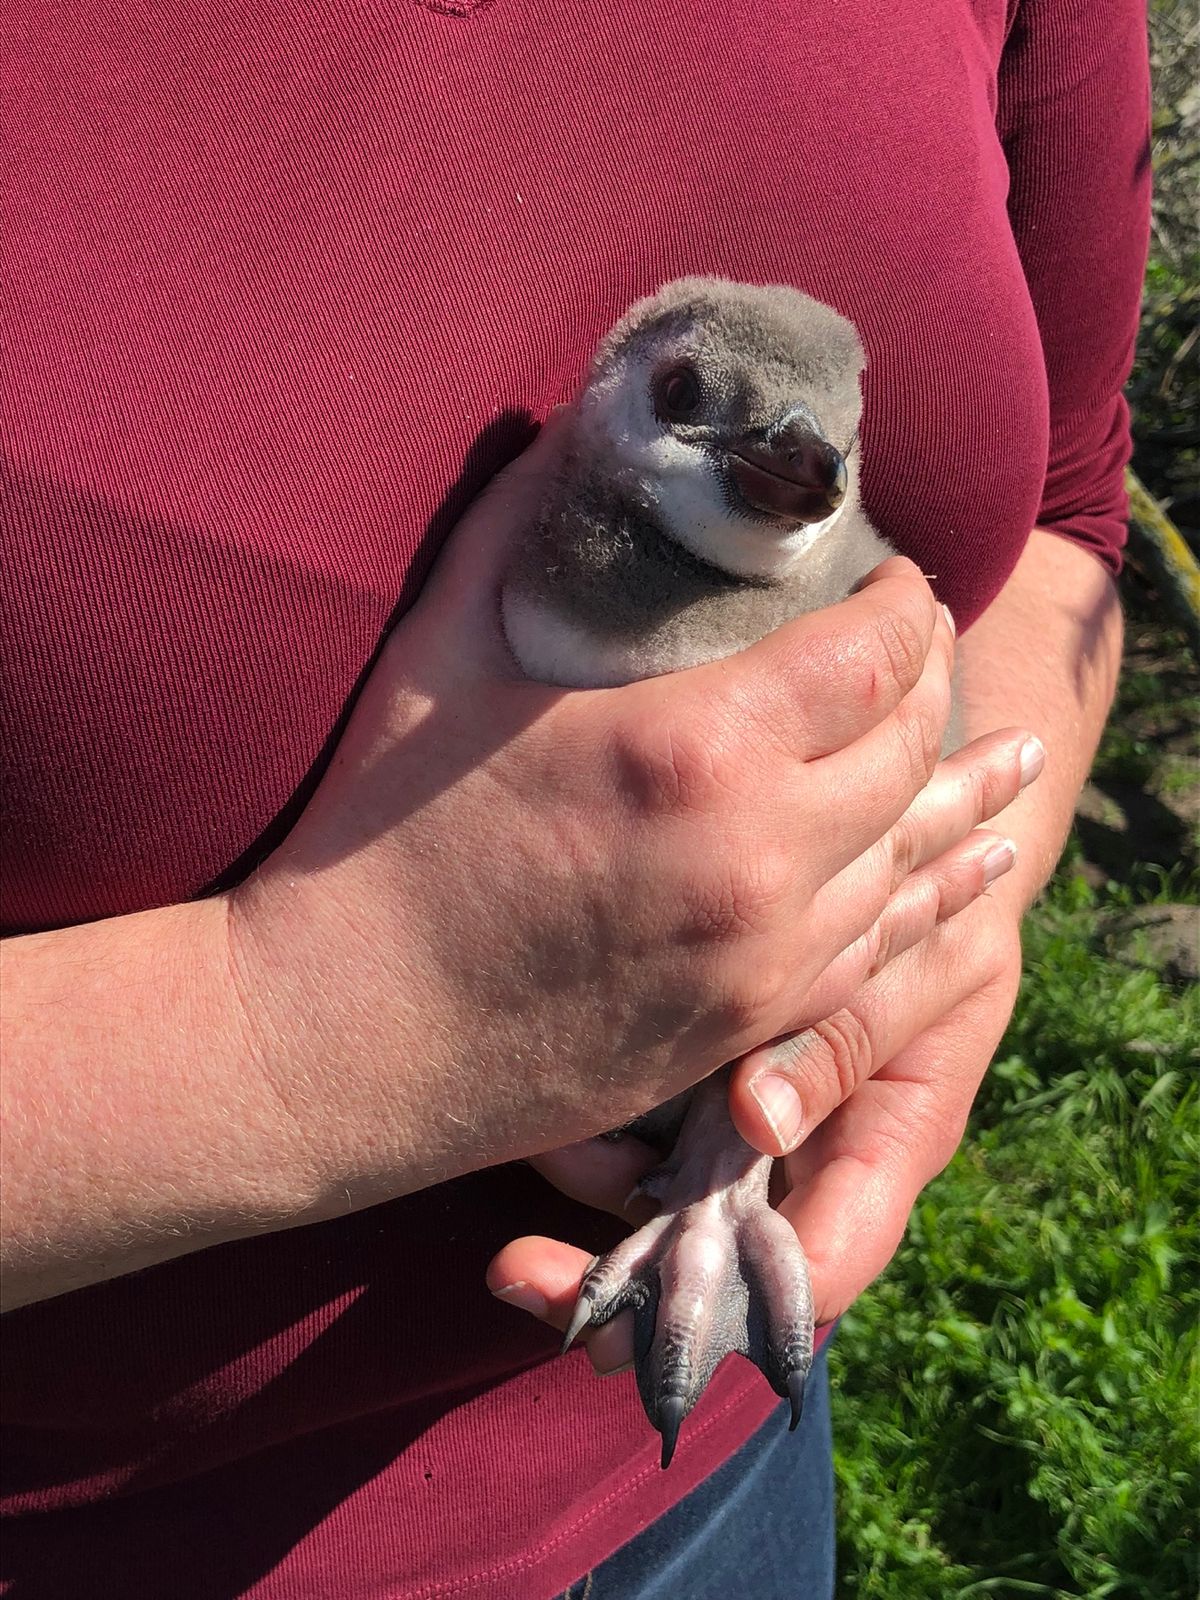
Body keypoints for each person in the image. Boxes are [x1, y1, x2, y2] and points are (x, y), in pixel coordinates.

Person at [1, 0, 1147, 1595]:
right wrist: (295, 1029)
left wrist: (930, 908)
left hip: (704, 1438)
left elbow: (1067, 507)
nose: (804, 473)